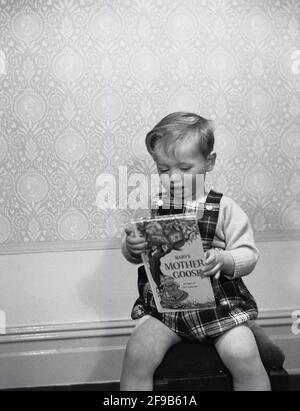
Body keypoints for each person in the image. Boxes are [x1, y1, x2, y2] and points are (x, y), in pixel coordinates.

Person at [121, 112, 272, 391]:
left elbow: (249, 255)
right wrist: (132, 247)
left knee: (244, 354)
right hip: (167, 309)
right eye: (164, 170)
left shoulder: (224, 208)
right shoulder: (156, 207)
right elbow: (137, 253)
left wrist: (224, 259)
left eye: (185, 168)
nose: (173, 179)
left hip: (219, 306)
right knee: (137, 353)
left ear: (208, 163)